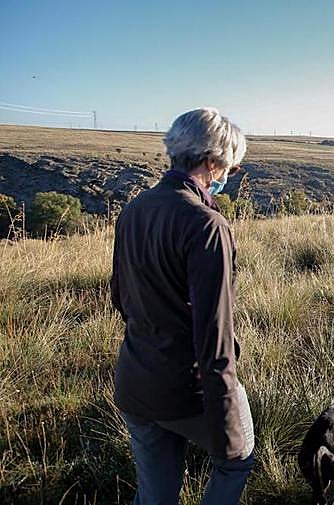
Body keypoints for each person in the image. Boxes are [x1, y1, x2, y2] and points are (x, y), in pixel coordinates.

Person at [110, 108, 255, 504]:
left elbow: (119, 297)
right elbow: (215, 337)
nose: (228, 175)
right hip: (186, 389)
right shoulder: (207, 225)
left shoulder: (134, 210)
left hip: (135, 380)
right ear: (211, 162)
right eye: (230, 166)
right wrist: (226, 423)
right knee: (237, 461)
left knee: (155, 497)